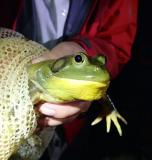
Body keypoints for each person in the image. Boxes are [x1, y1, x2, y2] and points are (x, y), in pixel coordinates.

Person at [0, 0, 138, 159]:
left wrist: (109, 111)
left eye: (101, 64)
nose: (98, 69)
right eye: (79, 60)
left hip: (70, 129)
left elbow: (116, 39)